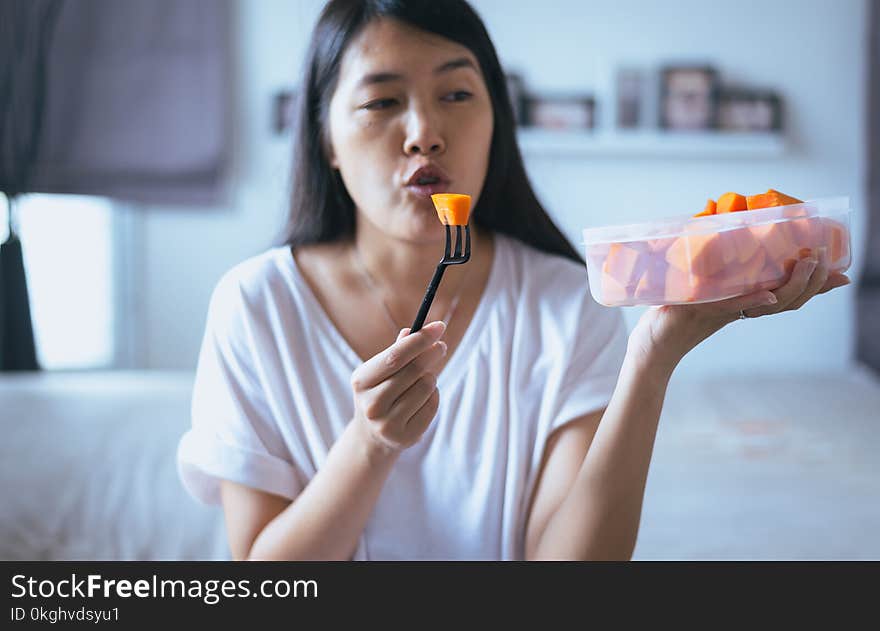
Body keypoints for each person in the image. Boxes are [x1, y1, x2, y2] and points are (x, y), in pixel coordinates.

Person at [176, 0, 850, 561]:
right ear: (325, 138)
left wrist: (652, 357)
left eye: (457, 93)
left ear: (496, 121)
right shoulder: (255, 306)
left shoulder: (567, 303)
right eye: (382, 100)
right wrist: (370, 443)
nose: (425, 133)